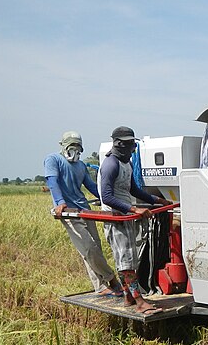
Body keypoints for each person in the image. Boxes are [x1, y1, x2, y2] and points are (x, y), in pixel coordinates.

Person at [98, 126, 170, 315]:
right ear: (121, 145)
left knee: (130, 259)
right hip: (116, 218)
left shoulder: (126, 164)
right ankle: (139, 301)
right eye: (131, 146)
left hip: (126, 215)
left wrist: (157, 200)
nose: (133, 150)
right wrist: (133, 208)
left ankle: (129, 297)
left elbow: (134, 191)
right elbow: (106, 197)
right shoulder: (110, 165)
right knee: (126, 262)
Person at [44, 131, 123, 297]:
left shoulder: (81, 166)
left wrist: (109, 200)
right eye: (71, 146)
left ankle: (100, 287)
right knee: (88, 248)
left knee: (95, 248)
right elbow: (52, 182)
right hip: (69, 213)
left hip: (84, 210)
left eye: (78, 147)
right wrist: (60, 203)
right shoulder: (53, 160)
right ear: (64, 146)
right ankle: (111, 278)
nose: (75, 150)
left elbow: (92, 186)